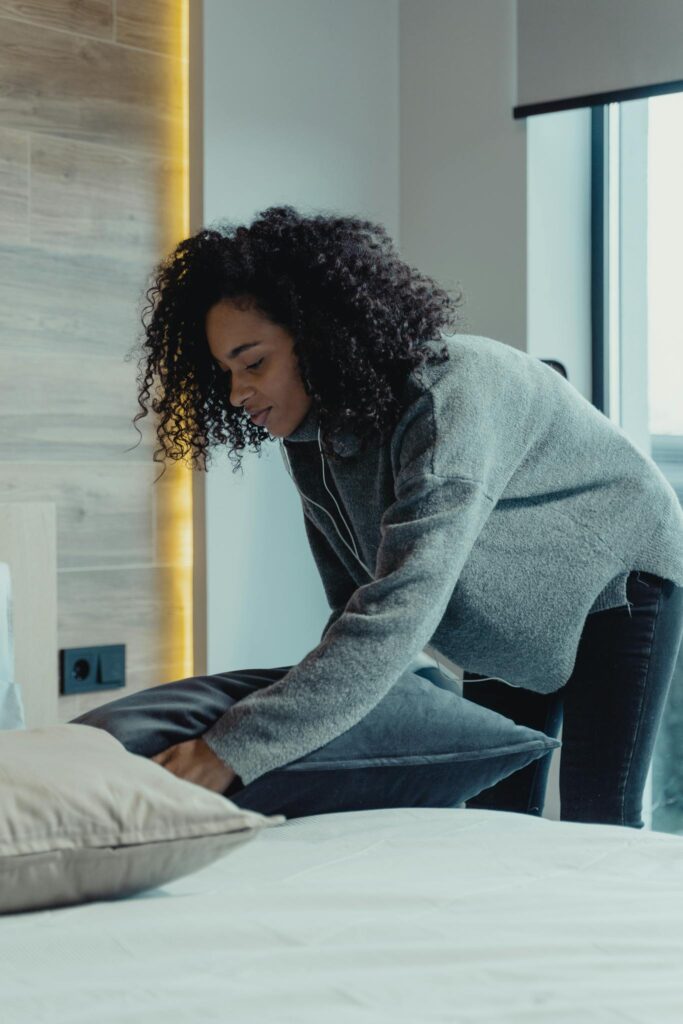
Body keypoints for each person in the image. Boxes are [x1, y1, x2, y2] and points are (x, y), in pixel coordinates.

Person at [75, 205, 683, 828]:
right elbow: (353, 605)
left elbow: (397, 610)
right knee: (495, 822)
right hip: (509, 604)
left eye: (253, 363)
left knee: (597, 817)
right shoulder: (312, 438)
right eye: (226, 371)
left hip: (618, 571)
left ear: (317, 337)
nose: (236, 393)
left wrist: (230, 748)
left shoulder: (447, 398)